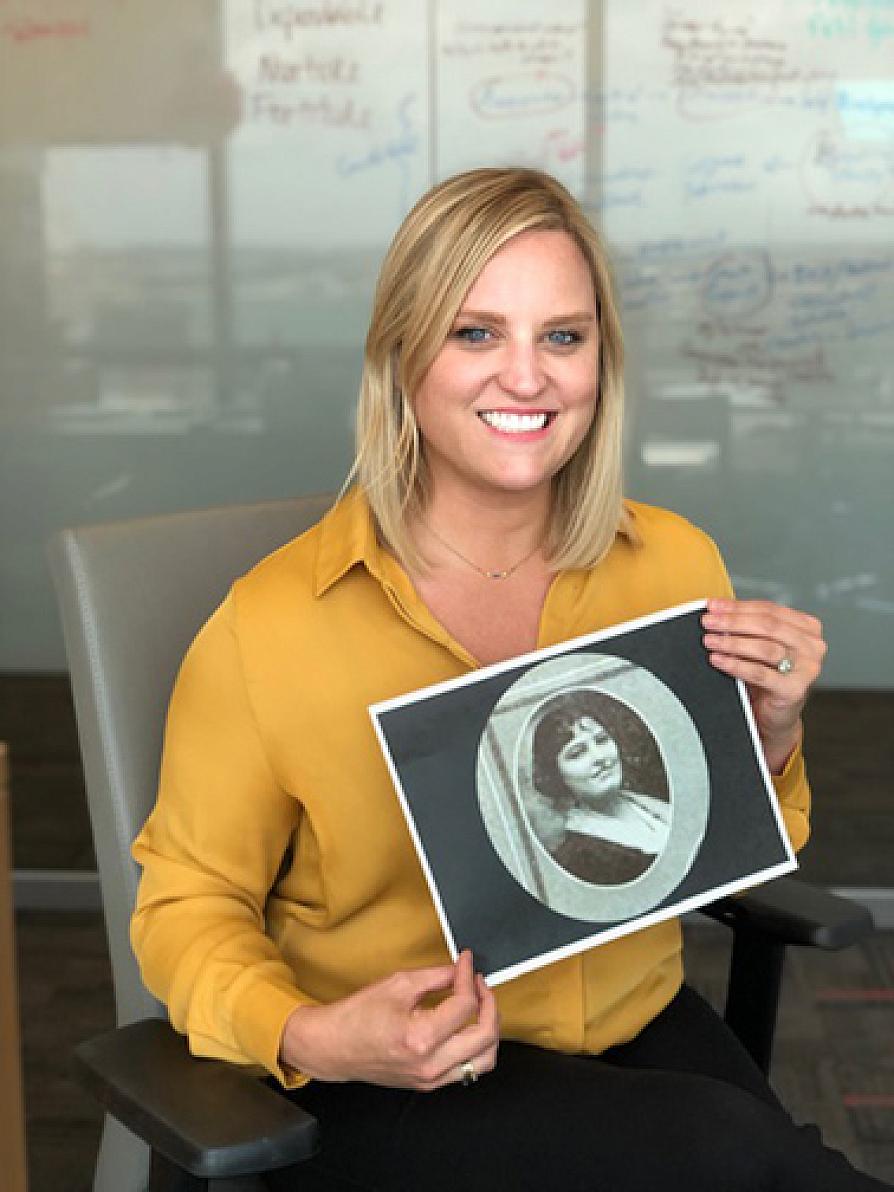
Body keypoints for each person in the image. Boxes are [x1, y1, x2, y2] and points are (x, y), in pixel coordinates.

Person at [131, 167, 888, 1190]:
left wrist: (771, 739)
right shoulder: (268, 627)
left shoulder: (672, 569)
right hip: (402, 1076)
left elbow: (736, 852)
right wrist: (312, 1033)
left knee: (759, 1159)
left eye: (562, 336)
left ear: (600, 363)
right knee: (736, 1155)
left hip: (635, 1024)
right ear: (403, 354)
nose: (526, 377)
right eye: (476, 333)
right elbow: (186, 906)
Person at [530, 692, 671, 883]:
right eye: (577, 753)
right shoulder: (581, 860)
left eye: (601, 740)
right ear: (556, 775)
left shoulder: (650, 805)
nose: (599, 758)